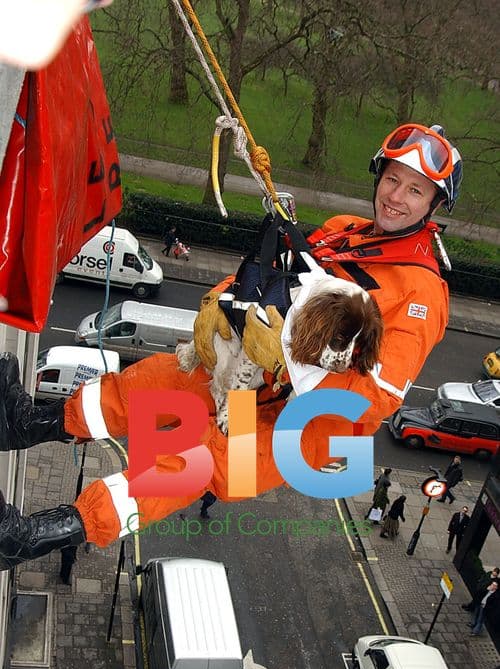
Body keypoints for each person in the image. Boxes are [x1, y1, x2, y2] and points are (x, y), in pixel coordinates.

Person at [0, 122, 464, 567]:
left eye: (415, 190)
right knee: (158, 380)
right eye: (393, 179)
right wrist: (221, 302)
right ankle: (31, 424)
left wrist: (286, 365)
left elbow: (377, 397)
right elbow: (275, 278)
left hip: (294, 429)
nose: (396, 197)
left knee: (190, 463)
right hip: (252, 382)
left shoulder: (422, 293)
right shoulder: (347, 229)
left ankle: (31, 537)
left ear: (434, 205)